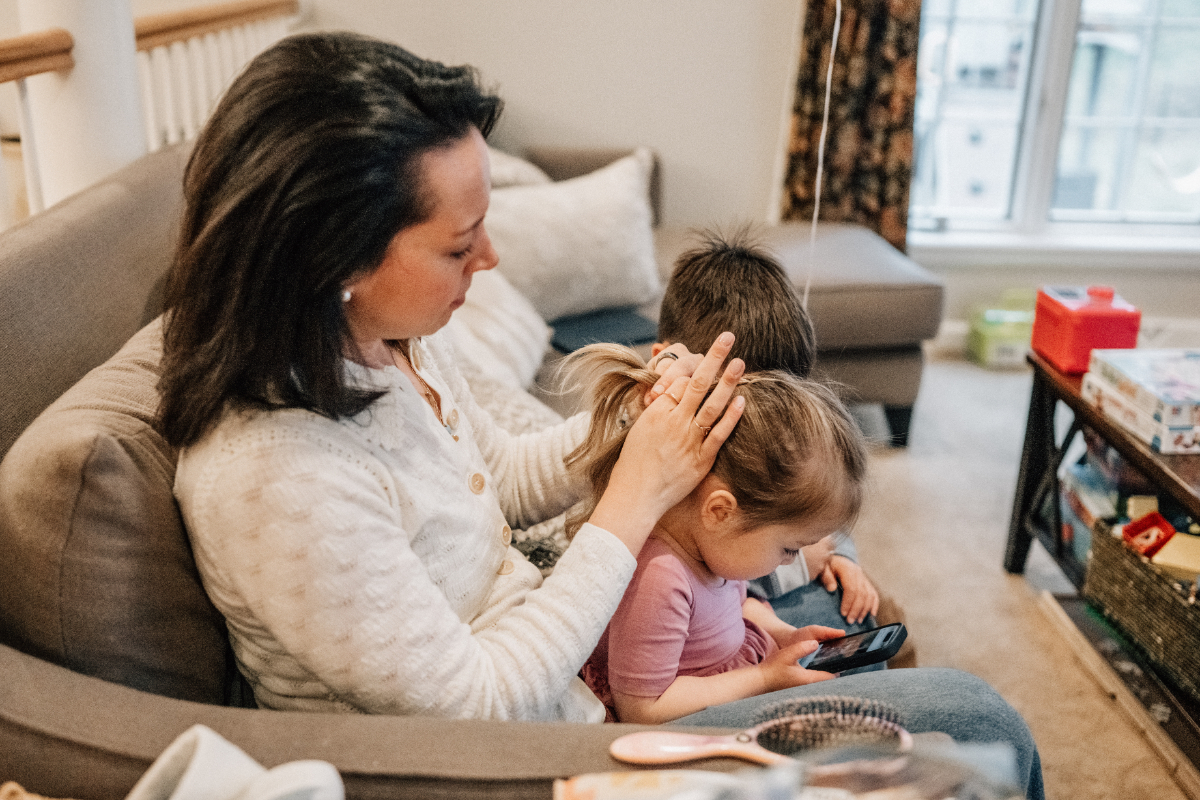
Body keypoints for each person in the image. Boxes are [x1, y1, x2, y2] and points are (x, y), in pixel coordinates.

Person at [156, 31, 1043, 798]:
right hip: (540, 747)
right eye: (460, 245)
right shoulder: (278, 477)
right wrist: (632, 502)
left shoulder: (384, 340)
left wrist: (647, 418)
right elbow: (480, 704)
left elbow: (496, 475)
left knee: (841, 594)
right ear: (330, 254)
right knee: (975, 723)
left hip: (574, 664)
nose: (491, 259)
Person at [570, 344, 867, 723]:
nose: (791, 562)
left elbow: (737, 605)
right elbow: (643, 708)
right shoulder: (658, 578)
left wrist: (782, 634)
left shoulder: (711, 548)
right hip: (681, 720)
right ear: (720, 511)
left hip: (730, 675)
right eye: (789, 548)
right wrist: (762, 678)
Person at [654, 230, 881, 633]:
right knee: (855, 624)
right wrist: (803, 564)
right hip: (726, 615)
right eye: (739, 403)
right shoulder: (665, 463)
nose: (768, 427)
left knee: (873, 611)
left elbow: (811, 493)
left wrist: (840, 553)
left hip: (767, 579)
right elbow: (717, 580)